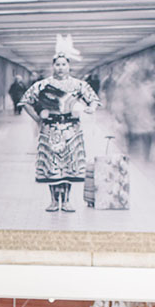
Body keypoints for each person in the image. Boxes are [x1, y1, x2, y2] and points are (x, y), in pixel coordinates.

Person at [20, 40, 100, 212]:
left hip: (72, 129)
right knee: (52, 165)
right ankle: (54, 201)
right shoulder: (42, 85)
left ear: (69, 66)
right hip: (51, 129)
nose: (60, 68)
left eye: (64, 64)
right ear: (53, 66)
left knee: (69, 165)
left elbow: (93, 99)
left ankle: (67, 200)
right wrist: (37, 118)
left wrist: (90, 108)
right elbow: (26, 101)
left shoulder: (78, 85)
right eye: (57, 65)